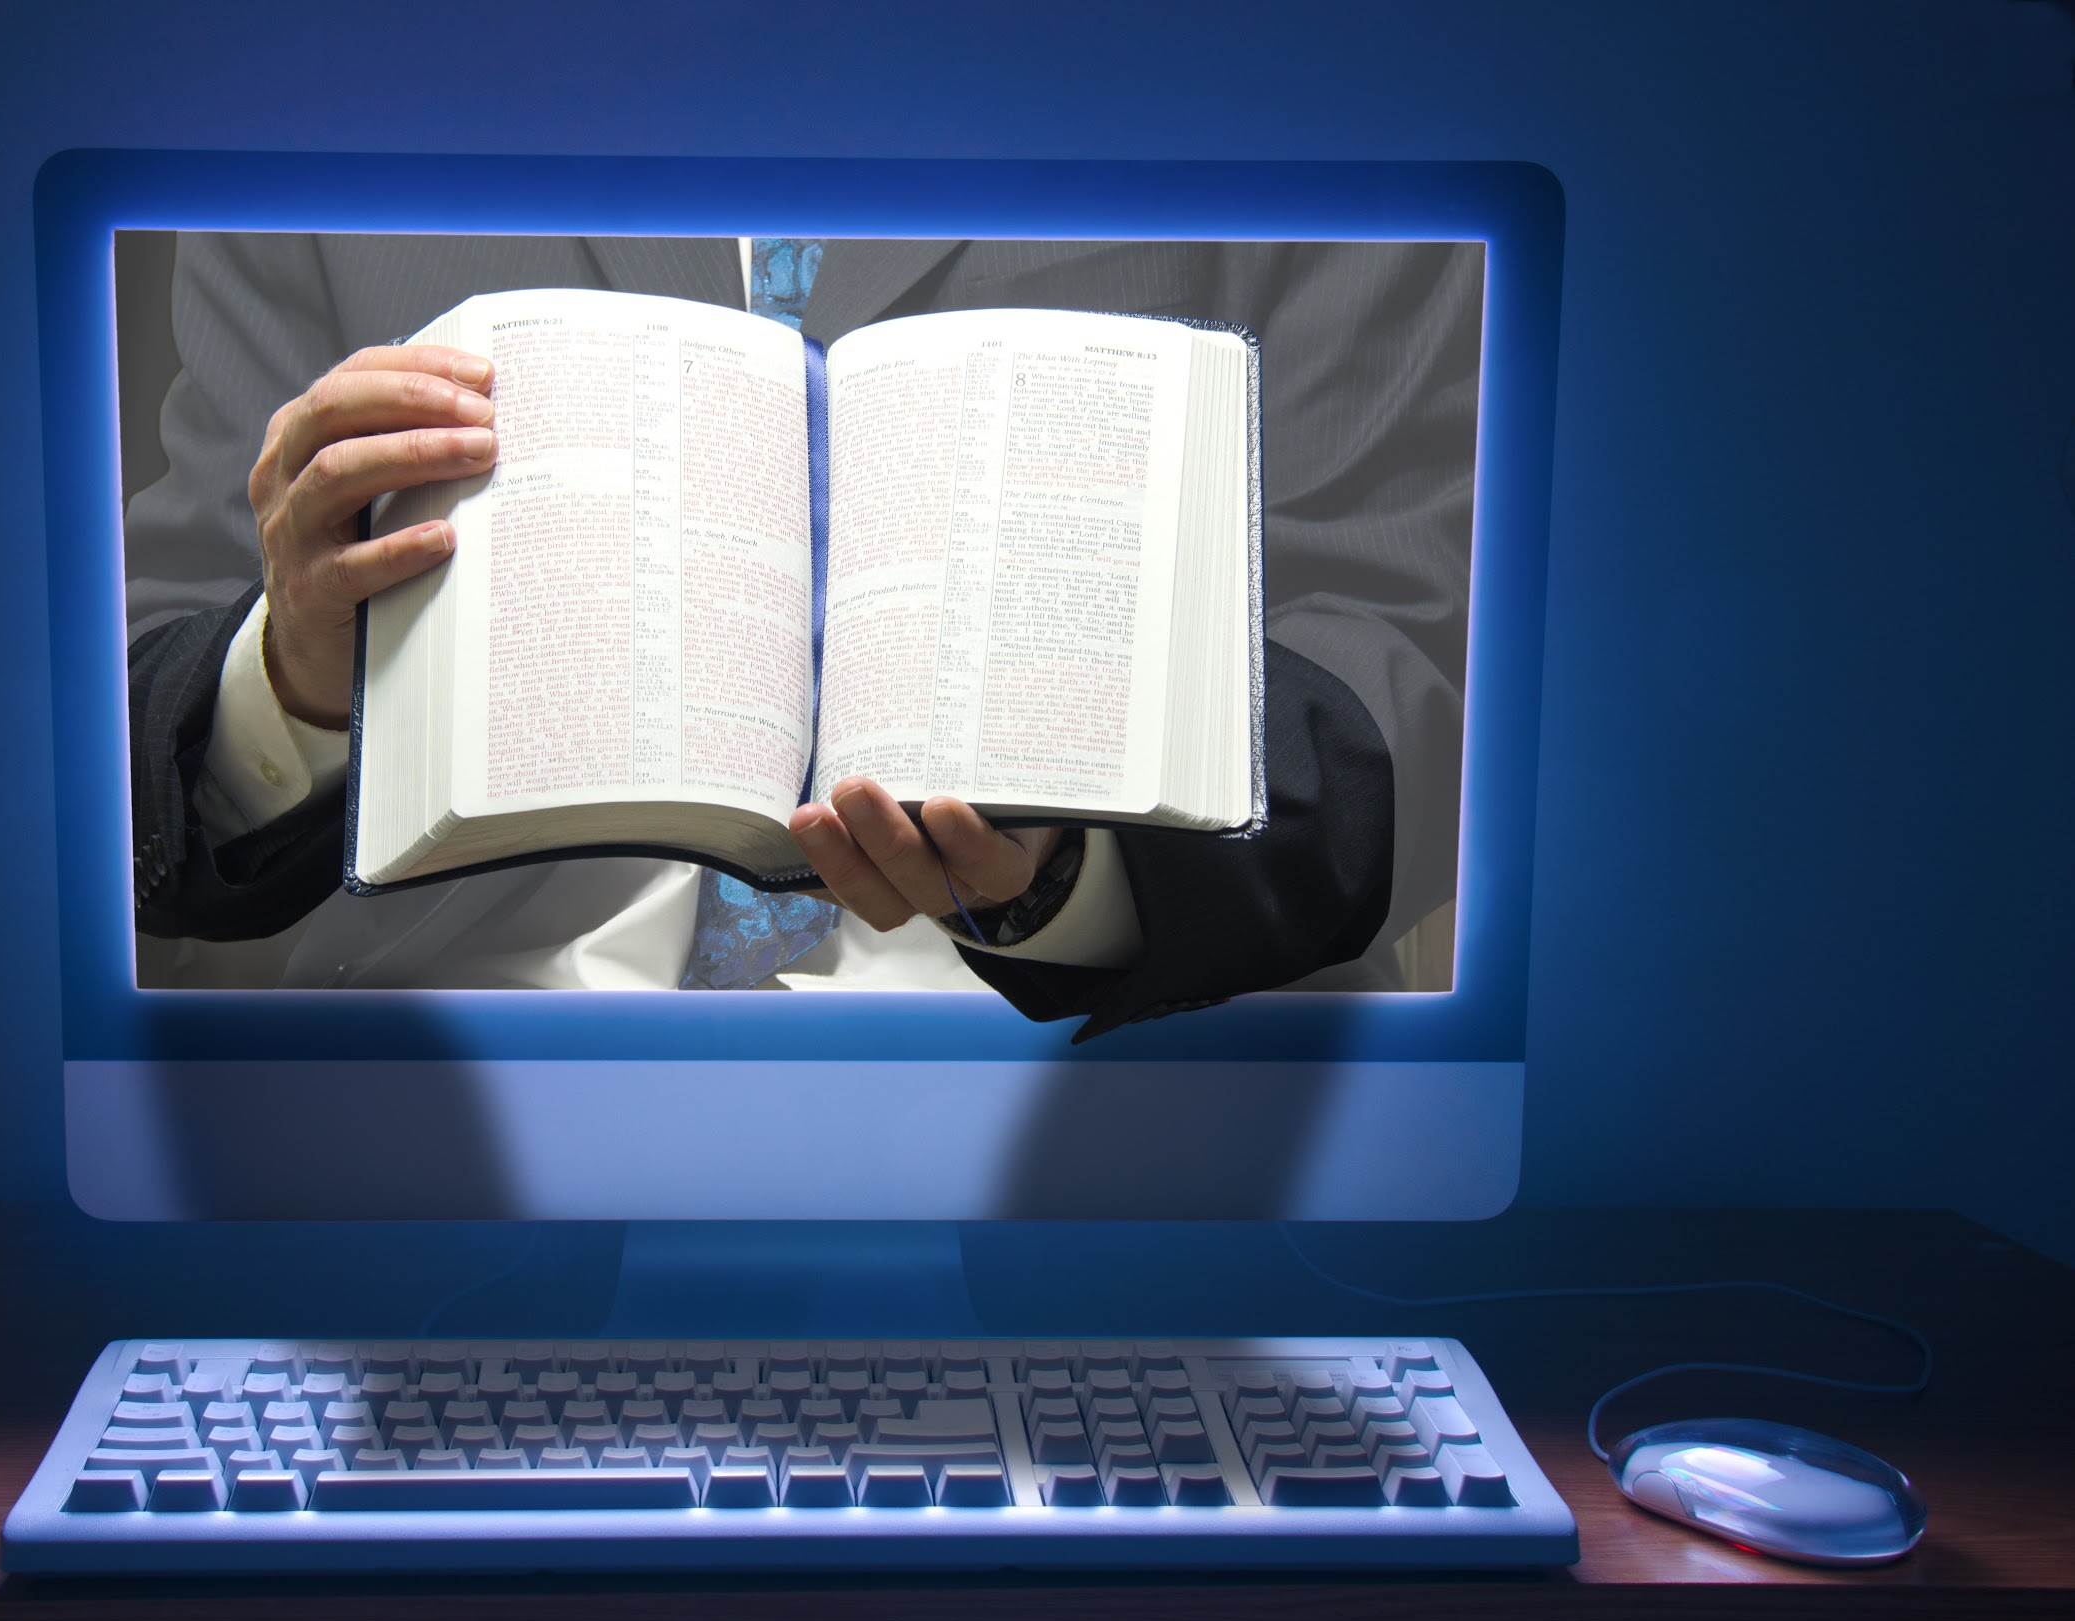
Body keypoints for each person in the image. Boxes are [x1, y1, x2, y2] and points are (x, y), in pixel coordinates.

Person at [125, 235, 1478, 1038]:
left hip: (1112, 1116)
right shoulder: (341, 66)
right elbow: (133, 716)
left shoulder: (1299, 56)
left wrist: (1074, 867)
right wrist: (296, 678)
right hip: (448, 1135)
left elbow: (1399, 653)